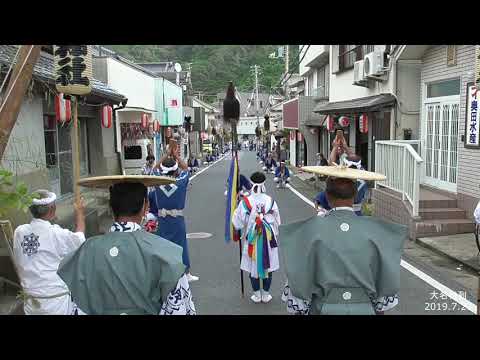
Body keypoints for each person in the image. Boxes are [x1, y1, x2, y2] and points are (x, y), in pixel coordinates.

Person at [57, 175, 196, 315]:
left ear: (110, 208)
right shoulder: (166, 253)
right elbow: (178, 307)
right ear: (145, 206)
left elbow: (77, 307)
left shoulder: (85, 252)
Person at [280, 166, 407, 315]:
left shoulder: (308, 231)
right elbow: (384, 298)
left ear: (326, 195)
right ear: (355, 195)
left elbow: (298, 291)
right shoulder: (377, 232)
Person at [13, 190, 86, 315]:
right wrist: (79, 212)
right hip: (56, 303)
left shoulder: (19, 232)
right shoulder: (56, 233)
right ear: (52, 208)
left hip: (31, 303)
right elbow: (79, 239)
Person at [149, 150, 199, 282]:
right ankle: (186, 273)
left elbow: (154, 169)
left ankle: (163, 272)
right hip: (177, 219)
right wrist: (176, 155)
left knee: (162, 244)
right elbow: (186, 169)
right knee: (181, 245)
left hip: (162, 219)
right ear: (175, 169)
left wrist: (165, 155)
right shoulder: (181, 182)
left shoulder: (157, 181)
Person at [232, 172, 281, 304]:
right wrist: (273, 232)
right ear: (264, 183)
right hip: (268, 237)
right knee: (268, 264)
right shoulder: (270, 200)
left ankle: (256, 294)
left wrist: (238, 228)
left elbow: (237, 221)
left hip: (252, 237)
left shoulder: (246, 202)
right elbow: (277, 221)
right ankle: (265, 294)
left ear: (251, 183)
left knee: (252, 263)